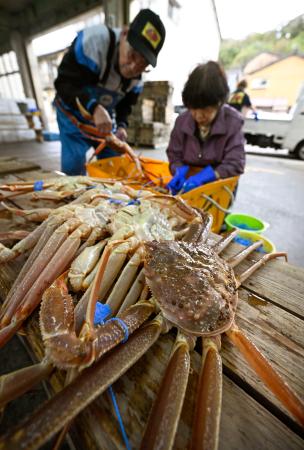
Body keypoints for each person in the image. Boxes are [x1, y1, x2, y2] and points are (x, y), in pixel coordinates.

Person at [54, 9, 166, 175]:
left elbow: (125, 106)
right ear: (124, 34)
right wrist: (94, 108)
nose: (134, 67)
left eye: (143, 64)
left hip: (103, 124)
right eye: (133, 55)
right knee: (74, 167)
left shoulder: (137, 80)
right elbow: (64, 84)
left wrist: (121, 125)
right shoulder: (93, 42)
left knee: (115, 165)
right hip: (72, 115)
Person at [166, 61, 246, 195]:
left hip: (218, 190)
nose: (198, 116)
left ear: (219, 103)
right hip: (186, 187)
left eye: (206, 110)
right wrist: (178, 170)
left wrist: (208, 176)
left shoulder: (233, 121)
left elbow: (236, 163)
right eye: (193, 109)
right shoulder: (182, 121)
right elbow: (174, 154)